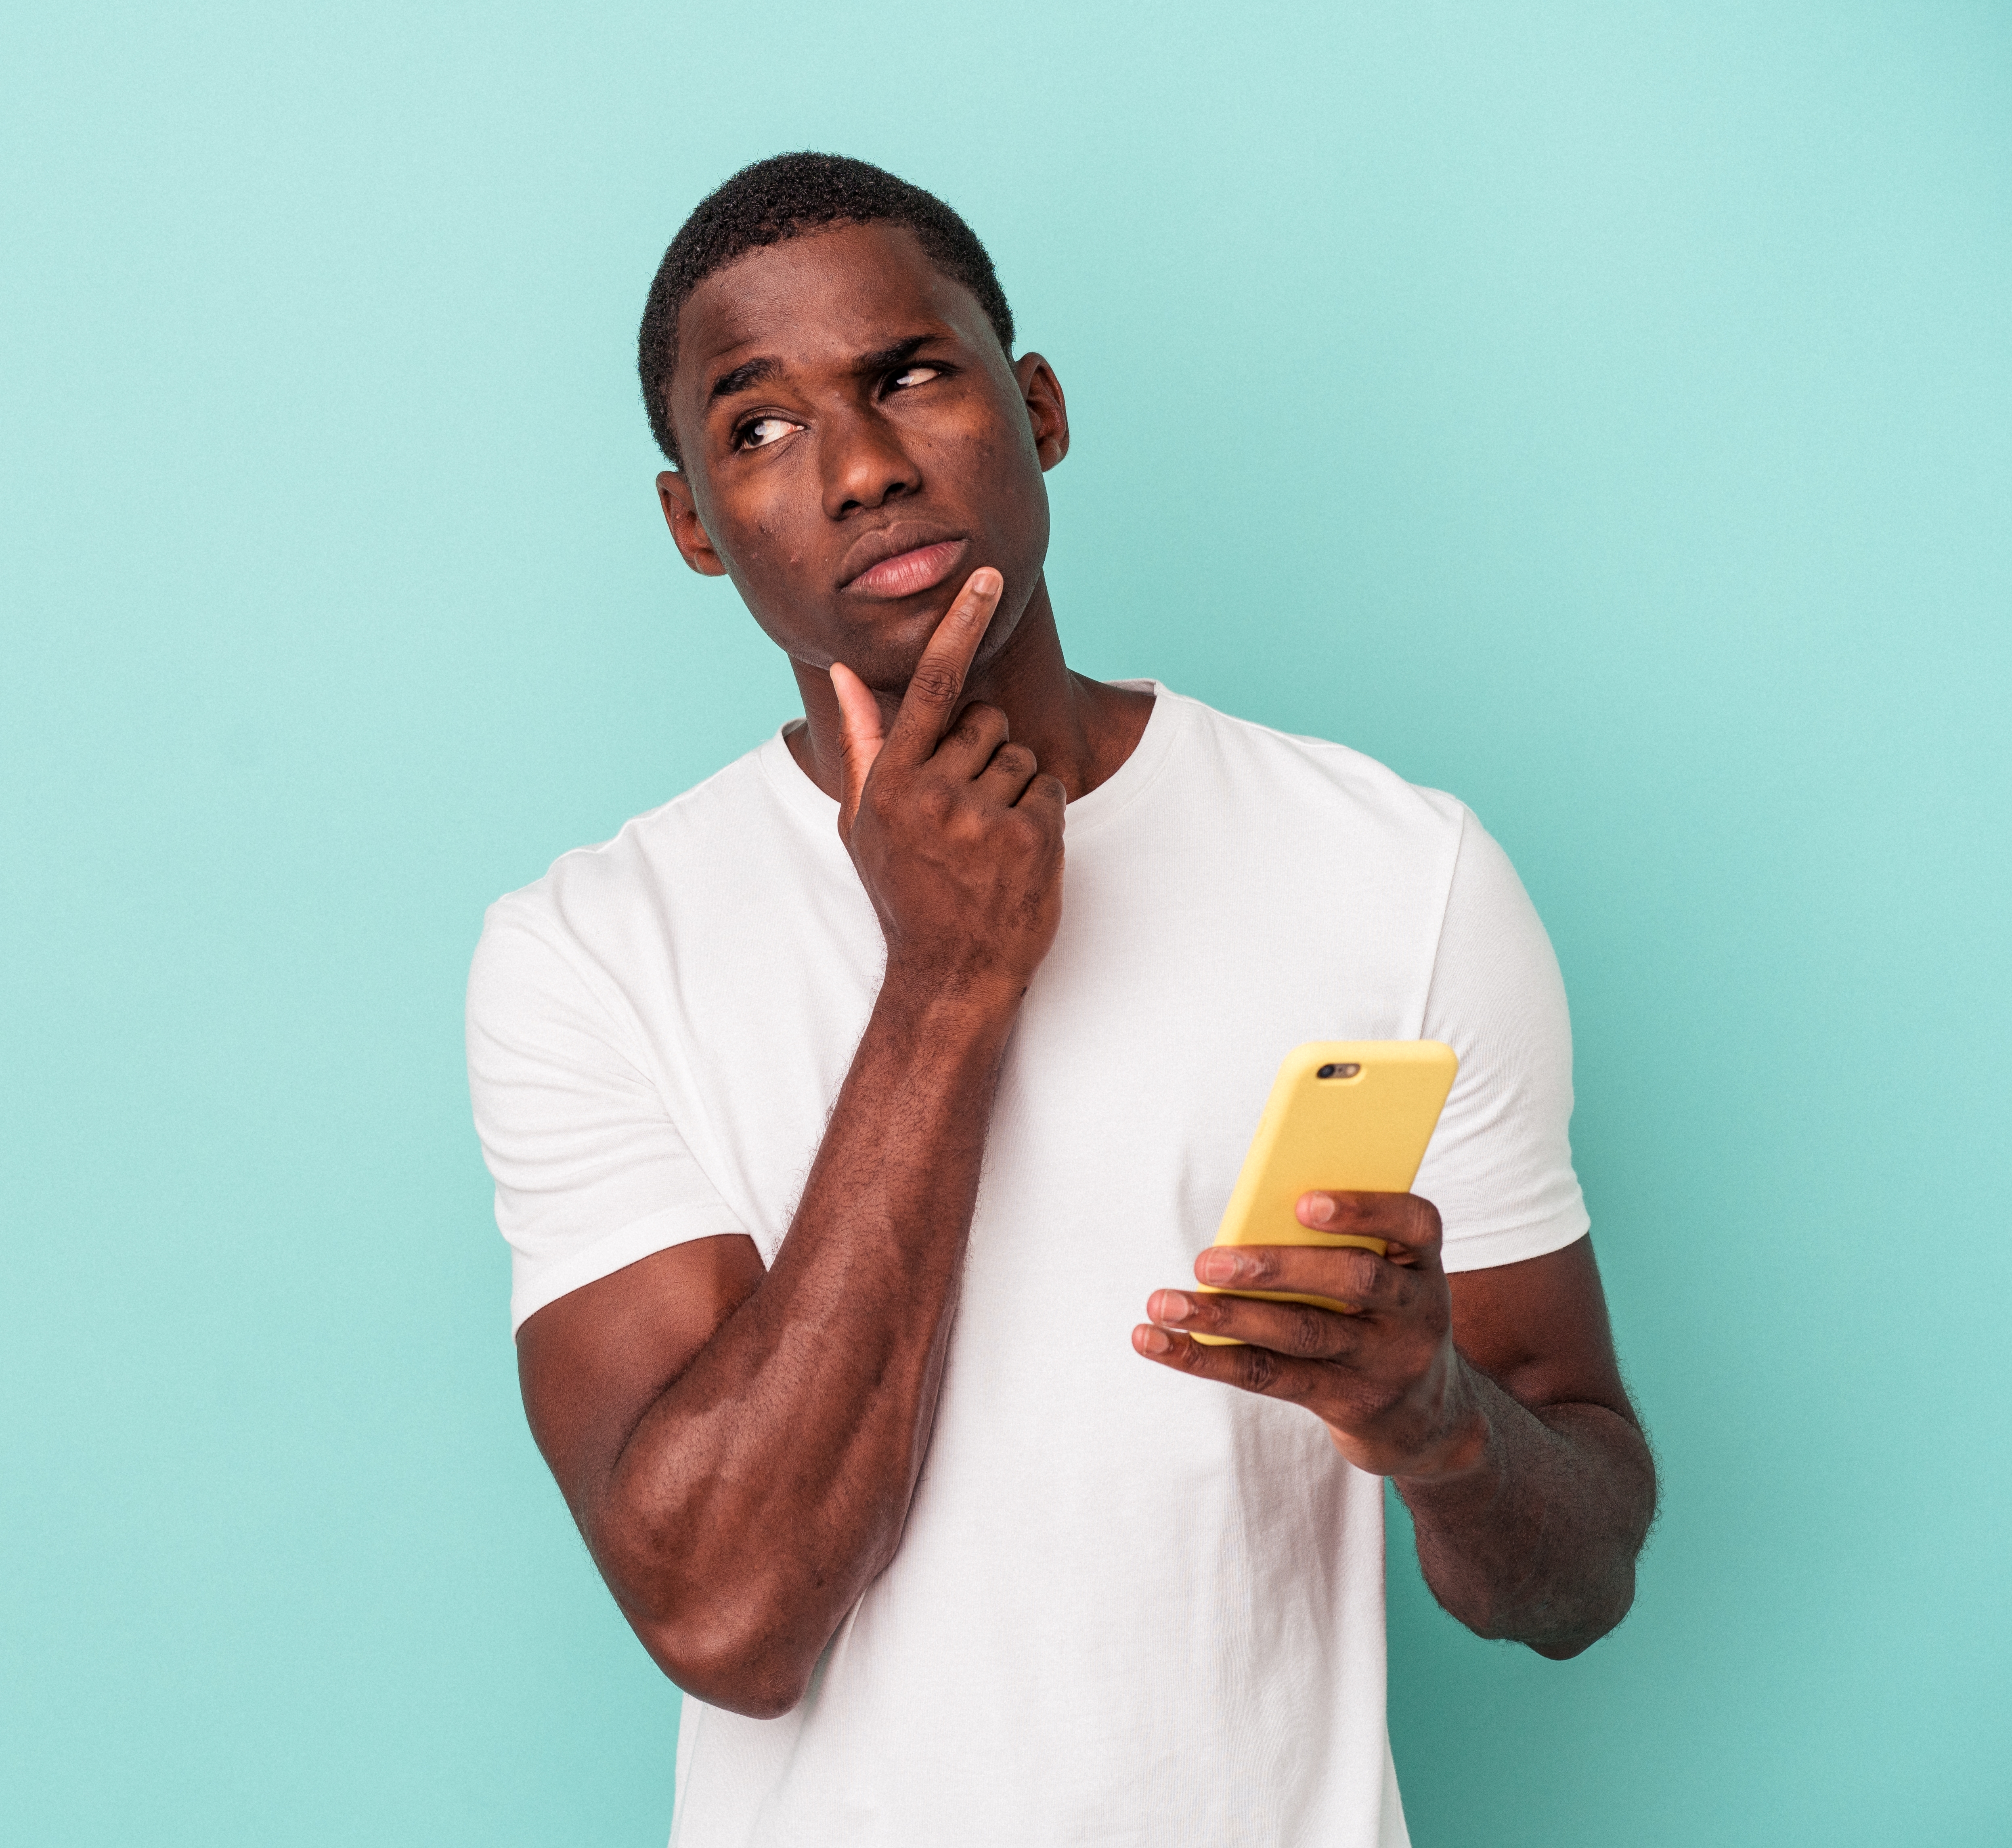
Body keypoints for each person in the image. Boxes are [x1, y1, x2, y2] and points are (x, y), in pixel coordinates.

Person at [463, 152, 1657, 1847]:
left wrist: (1440, 1425)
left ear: (1035, 406)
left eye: (910, 378)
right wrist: (946, 983)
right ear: (691, 523)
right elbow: (724, 1618)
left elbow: (1582, 1565)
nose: (864, 468)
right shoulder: (587, 950)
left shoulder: (1401, 870)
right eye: (760, 427)